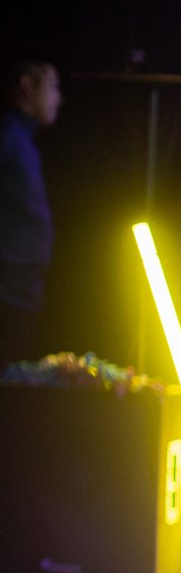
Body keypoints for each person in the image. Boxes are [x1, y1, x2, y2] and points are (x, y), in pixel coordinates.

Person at [0, 59, 61, 369]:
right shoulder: (8, 135)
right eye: (53, 86)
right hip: (8, 297)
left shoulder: (21, 140)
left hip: (21, 295)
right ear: (27, 86)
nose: (58, 98)